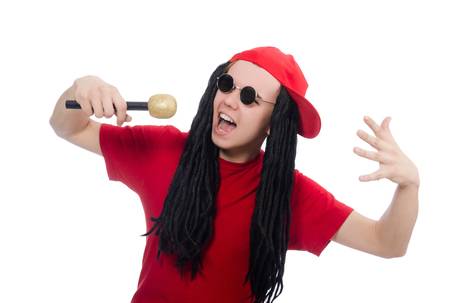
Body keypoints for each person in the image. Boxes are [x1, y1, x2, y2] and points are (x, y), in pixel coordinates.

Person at [48, 47, 423, 303]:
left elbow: (386, 243)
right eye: (226, 85)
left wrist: (409, 185)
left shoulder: (286, 194)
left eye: (249, 98)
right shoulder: (163, 151)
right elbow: (68, 128)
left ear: (275, 124)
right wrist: (81, 88)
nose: (229, 99)